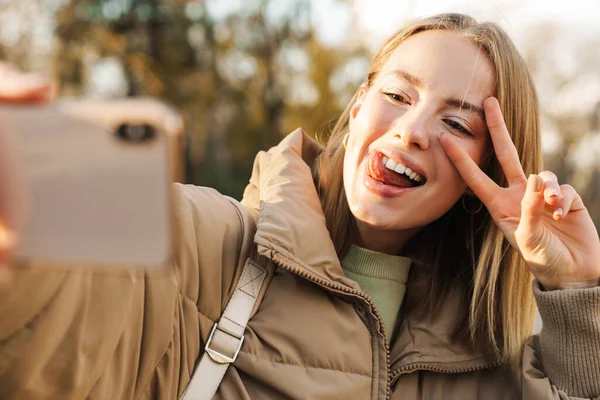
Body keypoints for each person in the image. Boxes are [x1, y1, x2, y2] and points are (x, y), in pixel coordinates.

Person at [1, 12, 599, 400]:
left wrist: (575, 294)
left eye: (454, 122)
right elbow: (59, 303)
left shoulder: (505, 364)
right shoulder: (209, 250)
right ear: (360, 105)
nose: (412, 130)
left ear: (489, 169)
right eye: (396, 95)